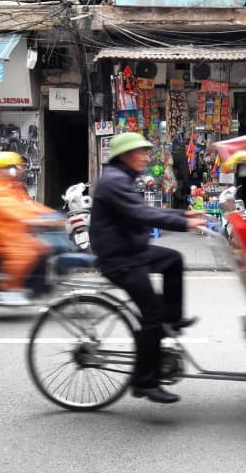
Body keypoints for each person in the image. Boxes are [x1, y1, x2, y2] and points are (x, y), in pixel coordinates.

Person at [90, 132, 206, 404]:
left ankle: (173, 318)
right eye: (139, 152)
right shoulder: (114, 182)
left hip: (133, 250)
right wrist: (183, 223)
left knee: (174, 259)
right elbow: (143, 214)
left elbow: (144, 211)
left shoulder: (123, 179)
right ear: (124, 156)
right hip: (119, 259)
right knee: (151, 316)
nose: (145, 157)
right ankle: (145, 382)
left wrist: (183, 214)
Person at [0, 151, 61, 305]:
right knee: (24, 255)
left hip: (15, 233)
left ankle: (34, 287)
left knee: (43, 248)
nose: (13, 171)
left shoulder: (12, 187)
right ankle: (9, 290)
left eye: (14, 167)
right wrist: (32, 219)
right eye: (8, 167)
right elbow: (11, 209)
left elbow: (28, 204)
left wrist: (52, 215)